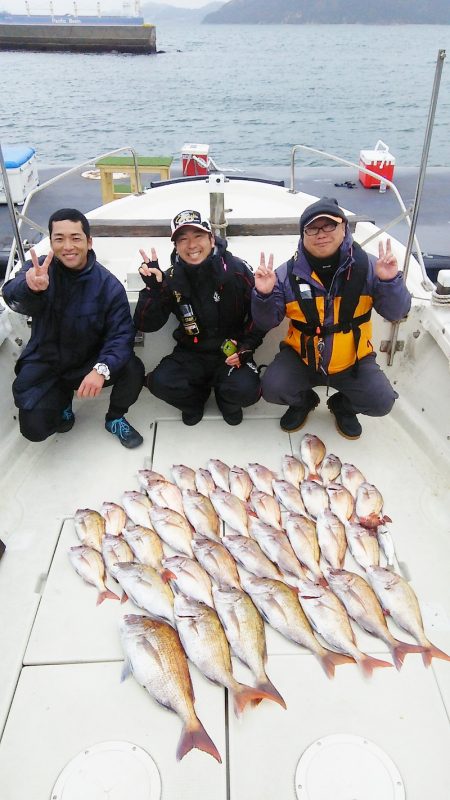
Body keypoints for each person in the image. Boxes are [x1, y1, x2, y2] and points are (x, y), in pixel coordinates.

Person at [252, 197, 412, 439]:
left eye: (330, 225)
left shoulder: (371, 267)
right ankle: (303, 402)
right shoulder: (284, 275)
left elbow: (396, 313)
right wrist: (263, 295)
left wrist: (390, 281)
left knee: (382, 402)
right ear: (303, 235)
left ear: (344, 227)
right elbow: (266, 322)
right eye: (313, 228)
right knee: (272, 388)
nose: (321, 234)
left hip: (353, 361)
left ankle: (343, 406)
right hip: (302, 359)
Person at [3, 208, 144, 448]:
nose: (68, 246)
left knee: (133, 368)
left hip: (88, 362)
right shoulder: (37, 271)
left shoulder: (109, 286)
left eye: (75, 238)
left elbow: (121, 336)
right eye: (59, 238)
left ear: (89, 242)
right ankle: (63, 404)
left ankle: (115, 417)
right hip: (47, 362)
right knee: (34, 430)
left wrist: (102, 369)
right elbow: (12, 296)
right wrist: (31, 288)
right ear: (51, 242)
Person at [134, 209, 264, 425]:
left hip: (232, 352)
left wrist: (245, 347)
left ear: (212, 239)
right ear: (175, 246)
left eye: (198, 236)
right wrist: (154, 290)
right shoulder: (170, 277)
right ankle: (194, 401)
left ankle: (227, 402)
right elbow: (145, 325)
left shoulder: (238, 270)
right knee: (159, 382)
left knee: (248, 391)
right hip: (191, 353)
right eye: (182, 239)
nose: (191, 245)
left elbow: (260, 316)